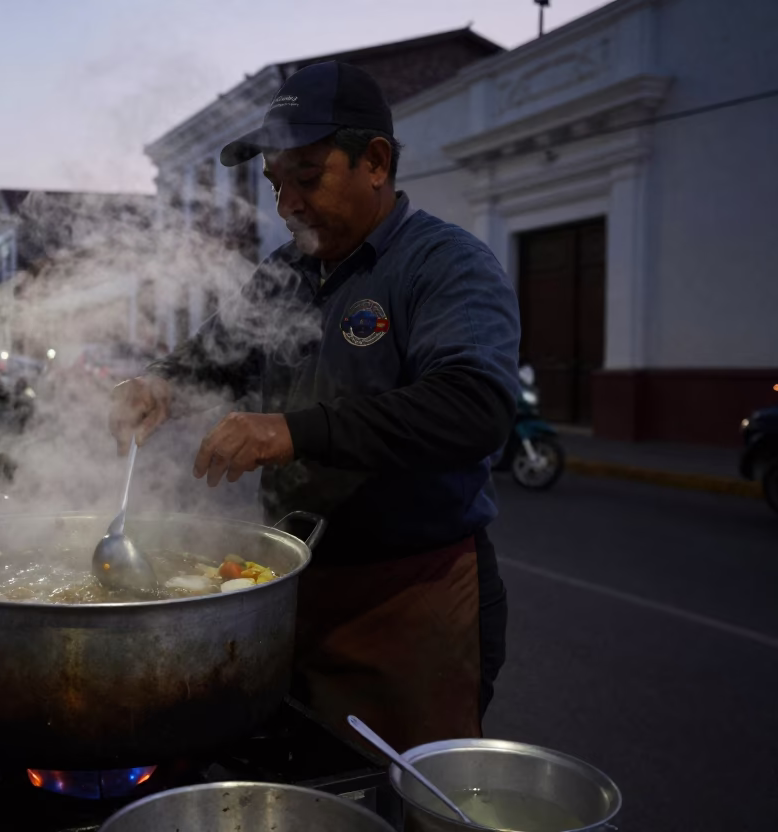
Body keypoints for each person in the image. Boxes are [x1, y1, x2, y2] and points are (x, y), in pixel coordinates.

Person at [109, 62, 520, 753]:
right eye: (275, 184)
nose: (287, 204)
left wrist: (291, 432)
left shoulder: (445, 264)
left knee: (409, 798)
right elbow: (211, 356)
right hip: (292, 585)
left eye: (306, 177)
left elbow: (473, 406)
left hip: (411, 595)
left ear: (376, 162)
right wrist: (158, 384)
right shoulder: (284, 275)